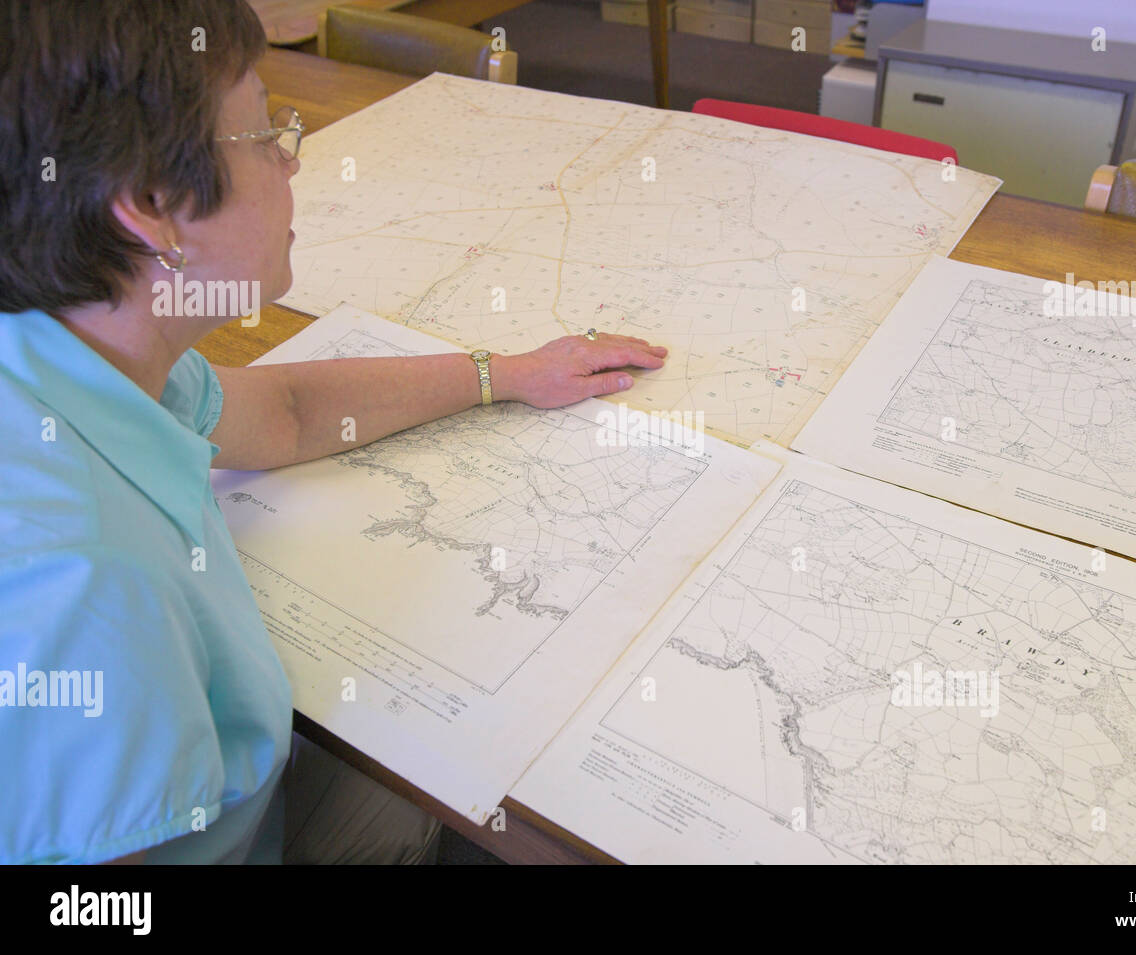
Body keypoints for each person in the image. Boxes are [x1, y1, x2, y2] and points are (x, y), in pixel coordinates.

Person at [0, 0, 666, 864]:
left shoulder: (79, 341)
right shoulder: (88, 586)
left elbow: (286, 412)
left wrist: (506, 373)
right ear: (154, 208)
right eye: (268, 136)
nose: (293, 163)